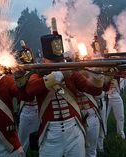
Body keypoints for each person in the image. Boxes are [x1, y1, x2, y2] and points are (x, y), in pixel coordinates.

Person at [15, 22, 104, 156]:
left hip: (74, 130)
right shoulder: (38, 74)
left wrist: (97, 75)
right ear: (44, 61)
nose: (59, 64)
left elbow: (95, 91)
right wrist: (58, 75)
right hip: (50, 133)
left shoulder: (71, 74)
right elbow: (29, 92)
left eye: (60, 60)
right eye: (55, 62)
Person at [17, 40, 39, 153]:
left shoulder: (37, 72)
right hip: (26, 108)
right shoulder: (19, 74)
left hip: (39, 108)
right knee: (22, 140)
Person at [77, 90, 101, 157]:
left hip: (91, 115)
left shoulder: (92, 80)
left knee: (91, 150)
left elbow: (100, 94)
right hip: (75, 119)